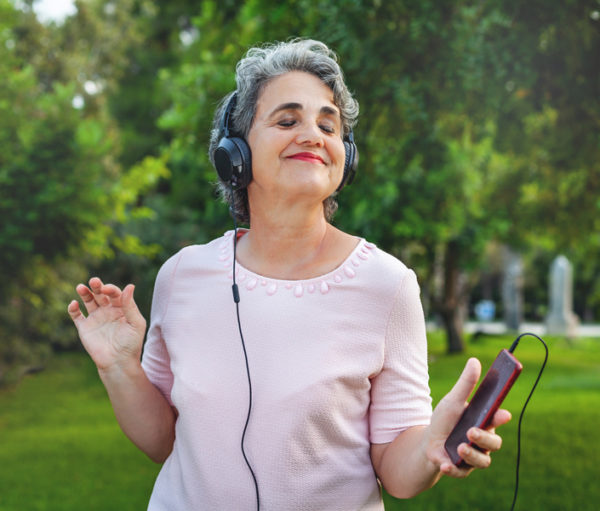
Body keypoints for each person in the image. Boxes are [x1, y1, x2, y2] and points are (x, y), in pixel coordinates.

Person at [68, 39, 511, 511]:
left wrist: (429, 449)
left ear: (346, 154)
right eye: (287, 120)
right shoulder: (182, 276)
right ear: (235, 154)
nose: (314, 135)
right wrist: (118, 366)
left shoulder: (388, 285)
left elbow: (396, 473)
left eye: (328, 124)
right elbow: (162, 441)